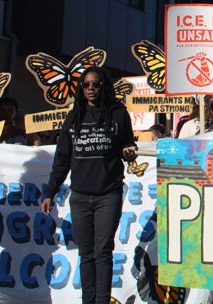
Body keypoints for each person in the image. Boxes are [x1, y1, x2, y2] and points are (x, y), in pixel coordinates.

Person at [41, 66, 137, 304]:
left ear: (104, 86)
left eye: (96, 85)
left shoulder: (118, 113)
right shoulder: (74, 117)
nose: (91, 89)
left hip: (108, 194)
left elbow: (128, 146)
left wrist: (129, 153)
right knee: (86, 255)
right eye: (86, 85)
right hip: (80, 196)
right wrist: (50, 192)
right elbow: (62, 159)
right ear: (80, 88)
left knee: (103, 253)